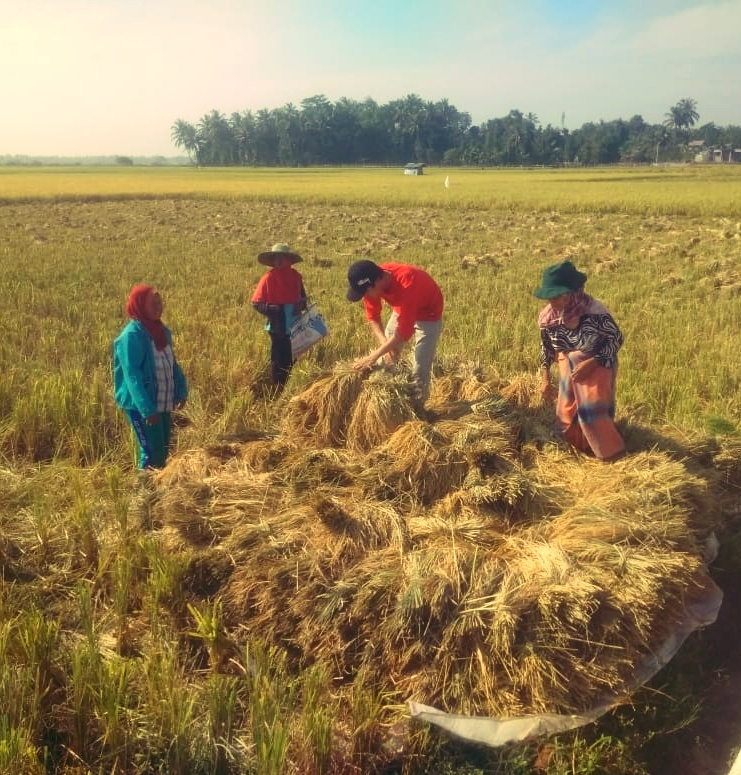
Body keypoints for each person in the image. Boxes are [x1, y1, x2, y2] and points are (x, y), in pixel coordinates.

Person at [534, 259, 625, 461]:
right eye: (550, 298)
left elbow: (616, 339)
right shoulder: (548, 318)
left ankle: (610, 456)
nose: (553, 303)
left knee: (592, 413)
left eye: (558, 297)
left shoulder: (595, 312)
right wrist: (545, 379)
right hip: (567, 363)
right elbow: (546, 349)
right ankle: (581, 453)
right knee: (565, 417)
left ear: (573, 293)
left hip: (598, 362)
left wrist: (592, 362)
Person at [346, 259, 443, 405]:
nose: (365, 296)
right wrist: (384, 344)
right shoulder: (372, 284)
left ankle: (416, 408)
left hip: (429, 313)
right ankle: (387, 401)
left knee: (420, 365)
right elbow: (373, 317)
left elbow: (404, 331)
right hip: (403, 309)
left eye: (365, 292)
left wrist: (373, 356)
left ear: (376, 282)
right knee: (386, 357)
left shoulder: (406, 281)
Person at [113, 284, 188, 469]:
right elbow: (132, 376)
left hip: (161, 399)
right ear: (139, 305)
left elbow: (171, 364)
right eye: (151, 303)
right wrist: (147, 409)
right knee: (150, 452)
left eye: (159, 302)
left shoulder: (162, 331)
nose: (158, 307)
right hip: (141, 405)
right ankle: (144, 494)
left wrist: (181, 390)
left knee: (162, 448)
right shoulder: (131, 336)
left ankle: (159, 489)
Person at [251, 243, 307, 391]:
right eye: (276, 258)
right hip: (277, 325)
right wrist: (272, 309)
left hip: (295, 323)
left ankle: (289, 385)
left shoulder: (296, 277)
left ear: (288, 259)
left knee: (292, 357)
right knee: (277, 358)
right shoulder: (268, 278)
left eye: (282, 257)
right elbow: (256, 303)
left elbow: (303, 297)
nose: (279, 261)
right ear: (273, 261)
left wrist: (301, 304)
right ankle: (277, 387)